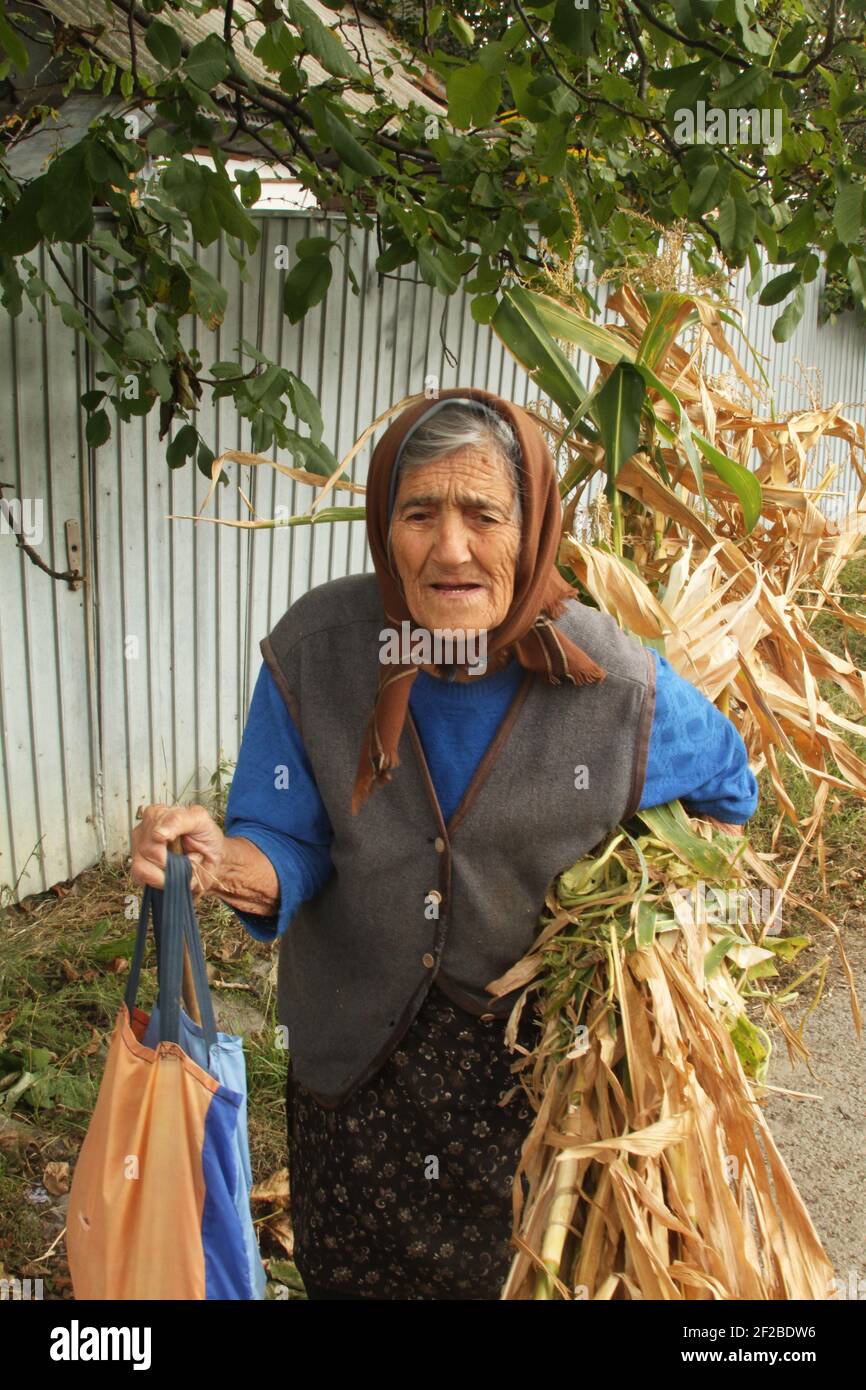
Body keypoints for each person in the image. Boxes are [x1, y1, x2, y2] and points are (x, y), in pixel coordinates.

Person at [131, 387, 757, 1300]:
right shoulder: (319, 651)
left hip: (531, 1098)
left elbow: (729, 792)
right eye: (420, 512)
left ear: (532, 523)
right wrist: (217, 861)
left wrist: (647, 896)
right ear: (386, 527)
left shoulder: (615, 687)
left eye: (482, 514)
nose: (451, 548)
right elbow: (285, 837)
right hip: (354, 1078)